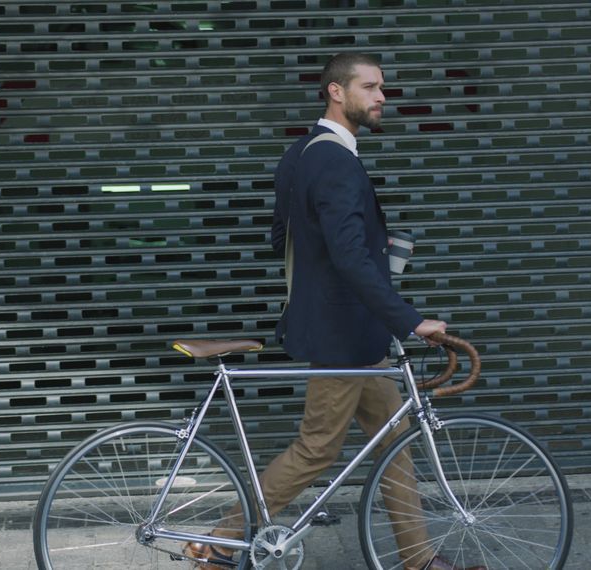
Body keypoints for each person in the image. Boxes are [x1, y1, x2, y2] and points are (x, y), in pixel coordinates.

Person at [184, 53, 480, 570]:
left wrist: (357, 246)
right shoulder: (338, 162)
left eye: (382, 87)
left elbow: (286, 237)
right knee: (317, 449)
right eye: (370, 87)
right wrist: (410, 319)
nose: (382, 97)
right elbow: (347, 257)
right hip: (342, 336)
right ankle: (219, 540)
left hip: (353, 335)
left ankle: (419, 561)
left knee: (395, 444)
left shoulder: (300, 154)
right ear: (336, 93)